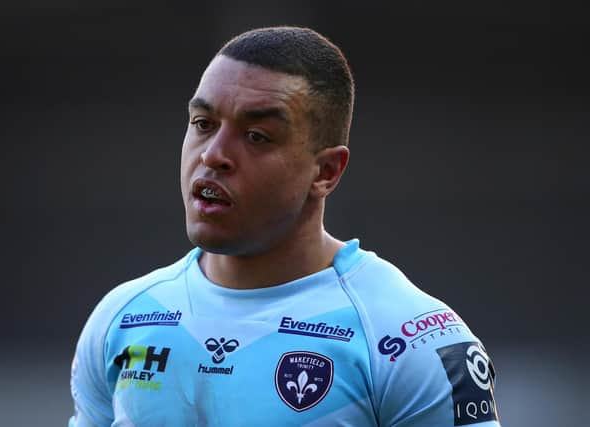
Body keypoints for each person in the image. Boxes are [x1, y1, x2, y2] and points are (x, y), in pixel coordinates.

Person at [69, 26, 500, 426]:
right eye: (203, 124)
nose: (213, 155)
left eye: (257, 136)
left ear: (326, 171)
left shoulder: (408, 340)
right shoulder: (124, 320)